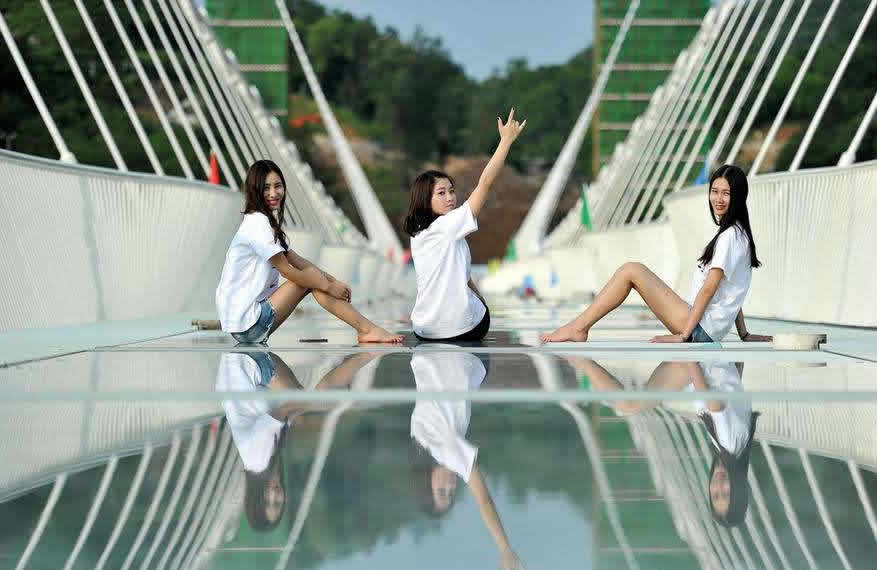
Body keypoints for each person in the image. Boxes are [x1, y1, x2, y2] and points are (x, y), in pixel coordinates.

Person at [541, 164, 772, 344]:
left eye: (726, 194)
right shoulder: (739, 235)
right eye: (714, 192)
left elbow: (709, 290)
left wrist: (684, 335)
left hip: (699, 327)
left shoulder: (729, 237)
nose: (718, 199)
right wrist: (744, 334)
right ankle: (579, 327)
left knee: (631, 270)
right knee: (632, 270)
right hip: (706, 327)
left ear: (738, 197)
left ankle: (579, 327)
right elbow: (731, 290)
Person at [215, 159, 403, 344]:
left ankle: (367, 329)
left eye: (278, 186)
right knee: (310, 281)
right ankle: (367, 330)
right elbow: (286, 271)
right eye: (266, 188)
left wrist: (333, 281)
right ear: (255, 190)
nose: (273, 193)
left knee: (312, 276)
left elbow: (299, 261)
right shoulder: (258, 223)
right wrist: (328, 287)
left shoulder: (264, 222)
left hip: (247, 325)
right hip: (248, 326)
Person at [562, 357, 757, 526]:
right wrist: (689, 354)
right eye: (726, 493)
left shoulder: (739, 444)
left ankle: (581, 361)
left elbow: (733, 381)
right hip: (697, 361)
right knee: (629, 405)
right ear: (738, 488)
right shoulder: (728, 441)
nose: (719, 486)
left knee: (638, 402)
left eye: (715, 495)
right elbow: (713, 402)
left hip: (705, 360)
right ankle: (581, 361)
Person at [216, 350, 382, 531]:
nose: (274, 495)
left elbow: (285, 409)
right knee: (315, 398)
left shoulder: (258, 459)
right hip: (241, 367)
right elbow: (289, 412)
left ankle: (365, 354)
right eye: (277, 503)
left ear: (254, 497)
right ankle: (358, 357)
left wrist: (320, 402)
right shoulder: (264, 461)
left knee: (316, 398)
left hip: (246, 364)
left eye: (266, 501)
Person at [404, 109, 526, 342]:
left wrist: (478, 297)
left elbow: (463, 276)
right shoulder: (448, 225)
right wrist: (506, 142)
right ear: (425, 200)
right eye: (441, 193)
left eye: (451, 191)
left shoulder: (417, 233)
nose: (450, 197)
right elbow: (485, 182)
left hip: (424, 330)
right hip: (462, 329)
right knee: (479, 311)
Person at [408, 349, 522, 569]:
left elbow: (484, 500)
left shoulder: (447, 451)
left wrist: (505, 549)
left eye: (442, 491)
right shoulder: (418, 435)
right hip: (427, 346)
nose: (451, 486)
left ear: (426, 483)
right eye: (451, 493)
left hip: (467, 351)